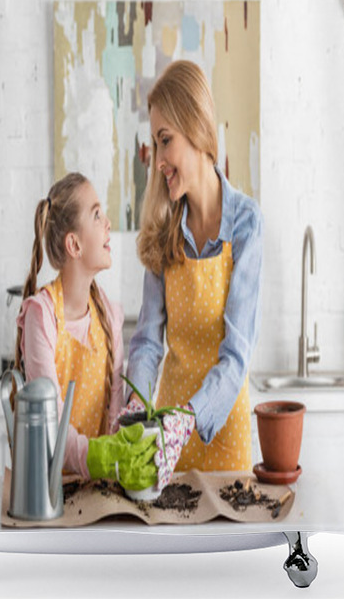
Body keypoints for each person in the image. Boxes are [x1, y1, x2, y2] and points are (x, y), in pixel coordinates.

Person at [125, 60, 264, 487]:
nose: (158, 158)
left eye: (165, 140)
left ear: (196, 128)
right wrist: (138, 402)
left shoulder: (245, 223)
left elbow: (236, 354)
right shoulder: (164, 228)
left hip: (224, 430)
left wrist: (188, 418)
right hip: (166, 433)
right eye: (154, 141)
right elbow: (148, 341)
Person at [14, 172, 157, 491]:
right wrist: (97, 457)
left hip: (99, 489)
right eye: (96, 215)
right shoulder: (43, 315)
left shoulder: (108, 313)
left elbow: (115, 408)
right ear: (74, 244)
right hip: (49, 494)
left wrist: (123, 449)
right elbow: (49, 423)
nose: (108, 223)